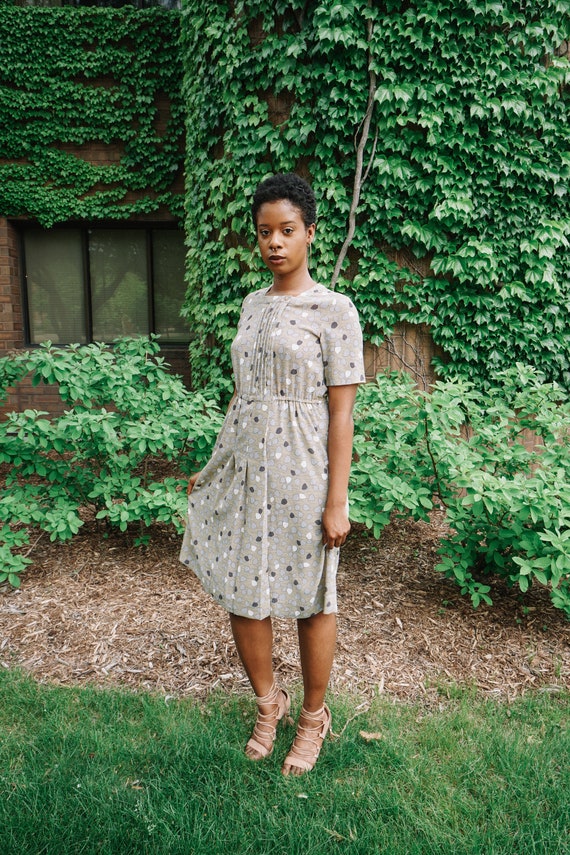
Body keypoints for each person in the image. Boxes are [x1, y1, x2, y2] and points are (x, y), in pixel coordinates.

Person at [180, 173, 365, 776]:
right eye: (265, 232)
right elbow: (243, 398)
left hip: (306, 469)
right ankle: (269, 704)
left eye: (287, 231)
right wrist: (215, 465)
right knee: (243, 594)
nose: (275, 243)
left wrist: (336, 500)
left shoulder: (334, 309)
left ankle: (313, 717)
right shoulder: (252, 305)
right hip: (246, 469)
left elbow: (341, 413)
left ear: (310, 233)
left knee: (312, 600)